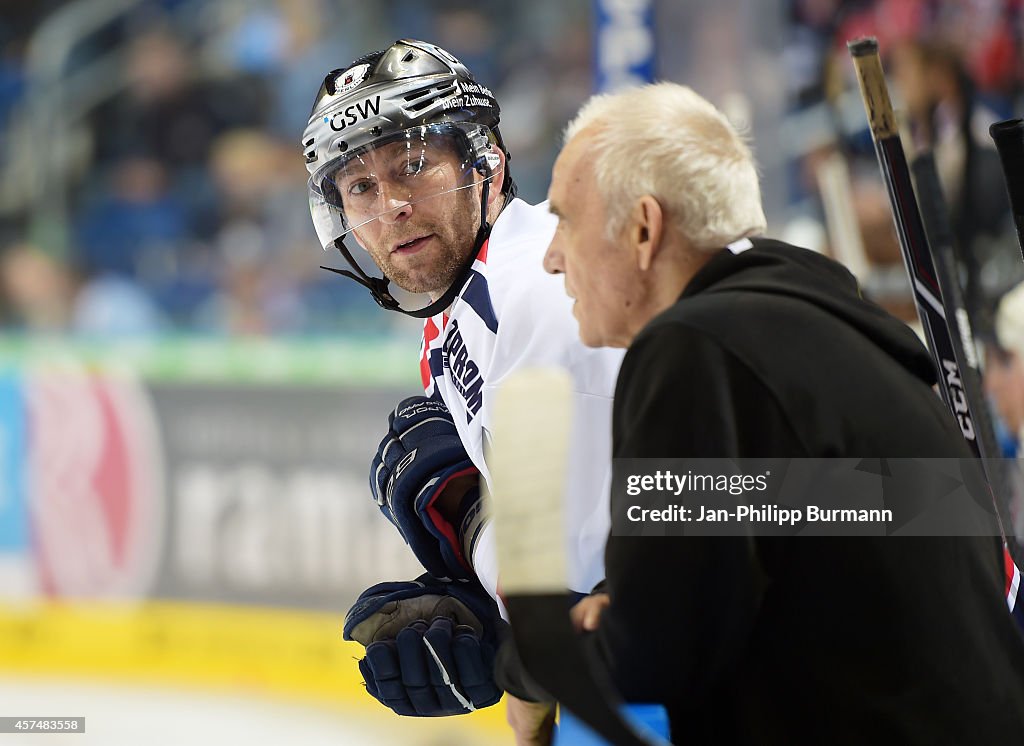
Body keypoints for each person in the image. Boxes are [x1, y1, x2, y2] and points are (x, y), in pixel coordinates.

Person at [541, 82, 1024, 743]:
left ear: (644, 229)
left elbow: (651, 659)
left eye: (565, 219)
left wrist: (532, 652)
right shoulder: (832, 339)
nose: (551, 256)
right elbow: (794, 543)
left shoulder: (698, 349)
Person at [300, 39, 623, 735]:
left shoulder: (538, 293)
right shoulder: (462, 303)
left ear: (487, 163)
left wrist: (506, 649)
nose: (392, 207)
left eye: (413, 167)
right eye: (360, 188)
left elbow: (574, 606)